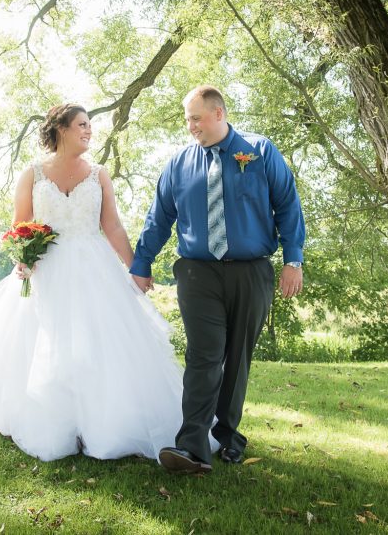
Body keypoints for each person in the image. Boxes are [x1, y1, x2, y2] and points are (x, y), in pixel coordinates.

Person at [0, 103, 209, 462]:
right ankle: (54, 421)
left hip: (95, 269)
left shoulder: (98, 174)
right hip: (46, 269)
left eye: (90, 125)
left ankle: (96, 424)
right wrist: (23, 259)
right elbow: (19, 224)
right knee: (46, 342)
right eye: (82, 125)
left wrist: (136, 268)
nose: (89, 131)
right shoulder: (32, 173)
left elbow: (113, 226)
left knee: (97, 343)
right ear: (60, 128)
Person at [130, 85, 306, 475]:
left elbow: (288, 204)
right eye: (187, 119)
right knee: (204, 354)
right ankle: (191, 445)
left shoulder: (259, 152)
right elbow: (159, 218)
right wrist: (142, 262)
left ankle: (228, 435)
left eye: (196, 117)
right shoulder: (179, 163)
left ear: (219, 114)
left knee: (237, 358)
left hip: (251, 270)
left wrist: (294, 259)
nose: (190, 126)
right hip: (198, 271)